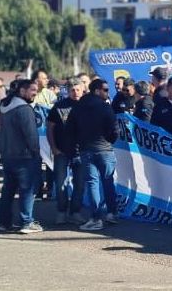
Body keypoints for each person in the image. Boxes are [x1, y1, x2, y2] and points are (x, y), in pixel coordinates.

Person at [68, 79, 118, 231]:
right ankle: (111, 213)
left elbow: (70, 129)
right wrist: (109, 140)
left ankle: (96, 218)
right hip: (104, 149)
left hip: (86, 150)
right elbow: (114, 130)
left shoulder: (78, 107)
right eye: (105, 90)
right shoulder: (105, 107)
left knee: (92, 183)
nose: (108, 92)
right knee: (107, 181)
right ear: (97, 91)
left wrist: (78, 144)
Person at [0, 79, 43, 233]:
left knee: (8, 191)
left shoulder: (4, 107)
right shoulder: (24, 109)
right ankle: (26, 222)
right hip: (25, 156)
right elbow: (31, 135)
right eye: (32, 90)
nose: (35, 93)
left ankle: (4, 223)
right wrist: (36, 153)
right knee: (27, 190)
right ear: (22, 91)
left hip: (8, 155)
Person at [47, 79, 85, 225]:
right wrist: (54, 148)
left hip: (81, 152)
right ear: (68, 91)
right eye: (72, 90)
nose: (76, 92)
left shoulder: (87, 106)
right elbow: (49, 128)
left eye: (78, 89)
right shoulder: (59, 106)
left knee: (80, 184)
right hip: (61, 151)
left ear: (83, 90)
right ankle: (61, 212)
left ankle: (75, 212)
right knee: (60, 184)